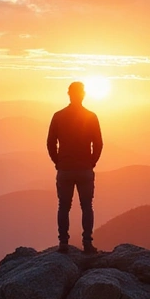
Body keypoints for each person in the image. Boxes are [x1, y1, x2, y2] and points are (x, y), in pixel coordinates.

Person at [47, 81, 103, 254]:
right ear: (83, 95)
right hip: (85, 169)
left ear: (69, 94)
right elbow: (98, 143)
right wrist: (92, 162)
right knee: (87, 206)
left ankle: (63, 243)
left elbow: (50, 143)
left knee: (64, 206)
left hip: (65, 169)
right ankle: (87, 243)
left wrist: (58, 162)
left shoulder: (58, 116)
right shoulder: (91, 116)